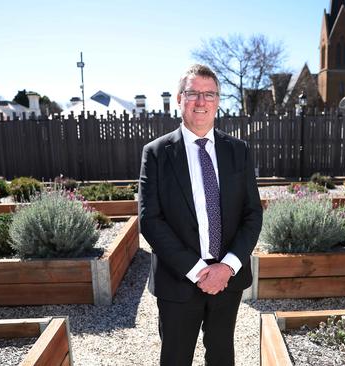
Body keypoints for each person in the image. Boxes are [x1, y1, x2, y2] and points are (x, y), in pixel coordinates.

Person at [138, 64, 263, 365]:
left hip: (227, 281)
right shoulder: (156, 153)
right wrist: (197, 271)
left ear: (218, 101)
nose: (201, 101)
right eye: (193, 93)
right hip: (178, 280)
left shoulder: (239, 151)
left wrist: (227, 267)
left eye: (209, 94)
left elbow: (252, 214)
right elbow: (150, 221)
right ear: (180, 99)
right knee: (175, 358)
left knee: (221, 357)